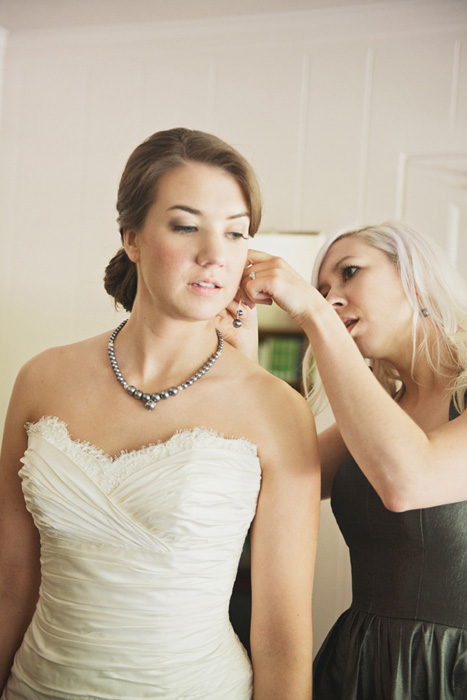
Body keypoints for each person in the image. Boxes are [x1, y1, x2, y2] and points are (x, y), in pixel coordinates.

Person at [0, 127, 320, 700]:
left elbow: (281, 638)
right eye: (185, 225)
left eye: (236, 233)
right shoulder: (41, 379)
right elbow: (10, 584)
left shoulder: (276, 409)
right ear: (133, 238)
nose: (214, 255)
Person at [239, 221, 467, 699]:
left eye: (349, 272)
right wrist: (240, 339)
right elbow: (263, 477)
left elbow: (409, 480)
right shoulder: (383, 413)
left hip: (449, 672)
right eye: (322, 290)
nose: (330, 298)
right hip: (360, 661)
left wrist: (312, 313)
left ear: (415, 279)